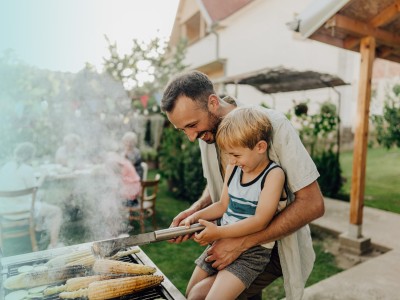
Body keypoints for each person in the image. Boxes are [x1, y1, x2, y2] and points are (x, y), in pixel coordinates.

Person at [161, 70, 325, 300]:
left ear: (212, 102)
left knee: (199, 296)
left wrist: (240, 243)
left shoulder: (274, 125)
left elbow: (313, 204)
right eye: (183, 130)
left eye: (192, 125)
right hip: (229, 235)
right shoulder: (206, 131)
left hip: (271, 246)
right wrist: (195, 210)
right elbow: (223, 185)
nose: (190, 136)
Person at [184, 106, 288, 299]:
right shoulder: (234, 168)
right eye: (228, 155)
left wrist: (218, 232)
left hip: (252, 252)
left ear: (260, 147)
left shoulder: (273, 175)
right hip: (222, 241)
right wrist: (194, 217)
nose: (231, 160)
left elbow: (260, 221)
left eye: (236, 155)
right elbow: (222, 205)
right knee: (191, 293)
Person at [0, 142, 63, 249]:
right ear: (31, 156)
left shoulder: (5, 167)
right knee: (56, 211)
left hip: (5, 212)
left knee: (39, 200)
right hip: (24, 213)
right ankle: (53, 245)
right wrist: (43, 175)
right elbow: (35, 190)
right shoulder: (27, 169)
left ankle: (38, 229)